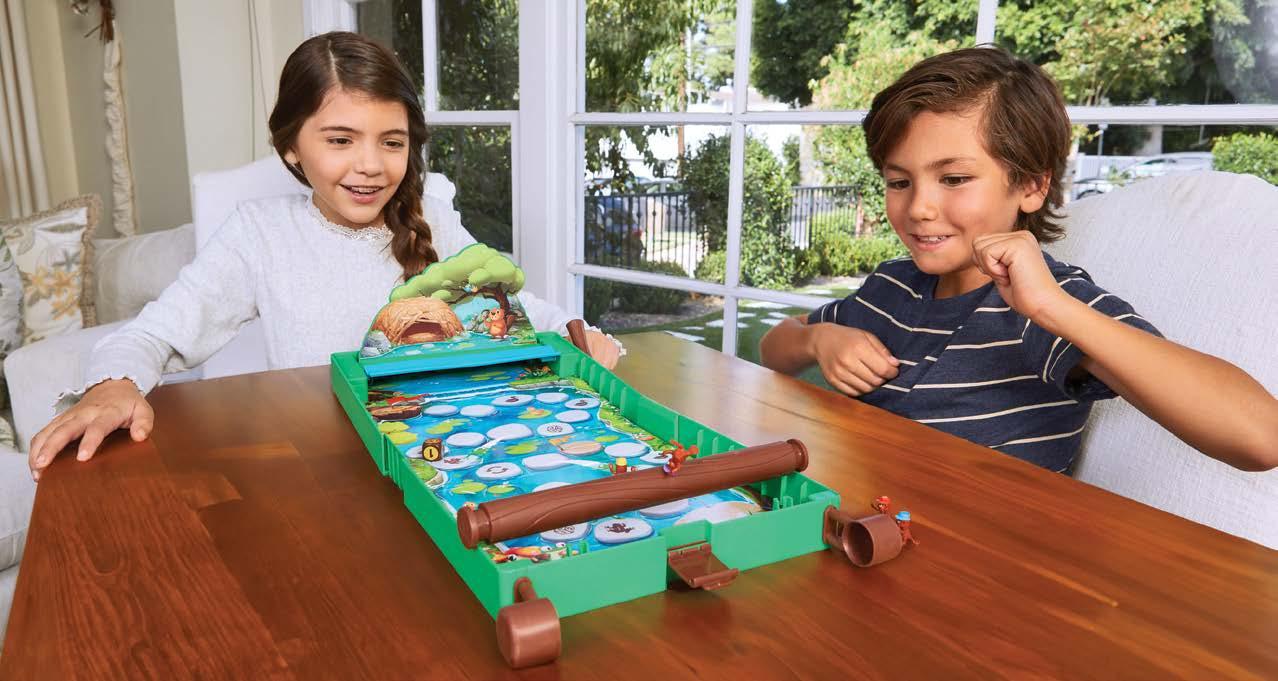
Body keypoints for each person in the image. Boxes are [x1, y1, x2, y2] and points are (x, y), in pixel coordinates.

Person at [28, 32, 621, 481]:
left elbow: (513, 307)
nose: (370, 165)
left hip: (442, 456)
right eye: (340, 140)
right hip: (319, 470)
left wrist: (581, 332)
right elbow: (151, 336)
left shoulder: (432, 217)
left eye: (392, 142)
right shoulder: (258, 233)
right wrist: (112, 386)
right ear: (291, 146)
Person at [760, 47, 1277, 474]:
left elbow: (1261, 438)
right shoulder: (891, 286)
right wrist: (817, 339)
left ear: (1031, 186)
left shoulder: (1046, 304)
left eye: (954, 179)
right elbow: (774, 348)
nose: (918, 207)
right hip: (861, 525)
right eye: (899, 181)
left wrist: (1052, 308)